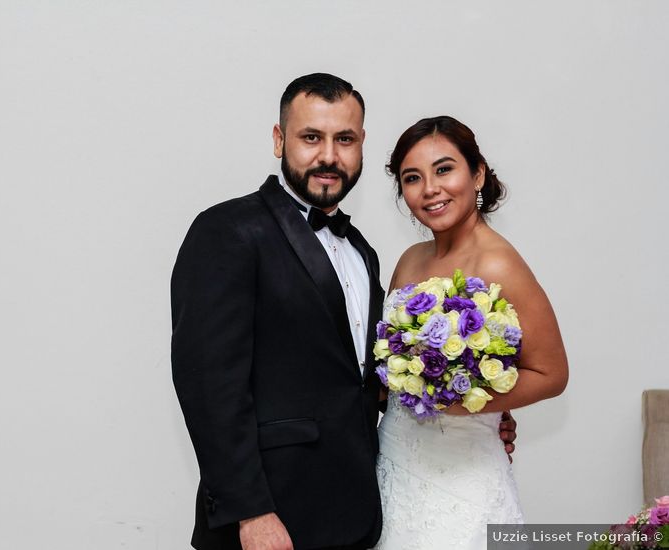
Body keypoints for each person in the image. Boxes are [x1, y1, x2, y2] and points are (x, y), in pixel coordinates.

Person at [171, 74, 517, 550]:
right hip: (269, 522)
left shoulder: (361, 250)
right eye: (311, 137)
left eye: (344, 139)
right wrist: (251, 513)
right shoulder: (227, 231)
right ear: (279, 140)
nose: (329, 156)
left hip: (358, 512)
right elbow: (209, 388)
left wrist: (471, 406)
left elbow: (364, 376)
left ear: (361, 147)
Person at [372, 116, 569, 549]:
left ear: (477, 173)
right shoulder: (408, 261)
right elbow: (388, 368)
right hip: (395, 466)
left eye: (444, 169)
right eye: (412, 178)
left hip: (465, 479)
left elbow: (551, 373)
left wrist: (471, 403)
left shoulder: (500, 264)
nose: (430, 189)